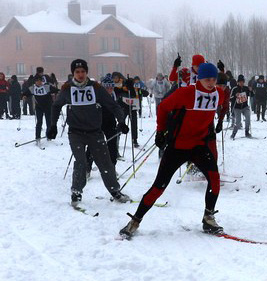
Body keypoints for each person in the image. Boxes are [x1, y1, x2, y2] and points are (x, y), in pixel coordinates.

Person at [119, 62, 229, 239]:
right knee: (159, 187)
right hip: (178, 146)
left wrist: (219, 122)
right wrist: (161, 131)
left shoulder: (219, 94)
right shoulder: (186, 93)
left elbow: (222, 105)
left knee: (214, 179)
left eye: (214, 79)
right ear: (199, 79)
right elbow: (163, 108)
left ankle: (208, 218)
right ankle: (135, 221)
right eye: (207, 79)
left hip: (199, 145)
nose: (211, 82)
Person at [51, 59, 131, 204]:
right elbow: (56, 106)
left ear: (87, 72)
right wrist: (52, 125)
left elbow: (113, 105)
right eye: (77, 72)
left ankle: (115, 191)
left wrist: (121, 121)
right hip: (76, 133)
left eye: (83, 71)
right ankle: (76, 192)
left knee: (105, 162)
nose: (80, 74)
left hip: (95, 132)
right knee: (81, 162)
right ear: (73, 73)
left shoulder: (96, 88)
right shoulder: (67, 88)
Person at [26, 74, 56, 142]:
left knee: (49, 122)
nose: (39, 82)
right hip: (39, 107)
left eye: (40, 81)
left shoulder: (46, 87)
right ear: (35, 82)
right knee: (39, 122)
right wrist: (24, 96)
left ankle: (49, 136)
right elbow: (26, 93)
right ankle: (37, 137)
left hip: (48, 106)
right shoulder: (33, 88)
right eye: (37, 81)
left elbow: (55, 90)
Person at [229, 75, 253, 139]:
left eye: (242, 82)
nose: (241, 83)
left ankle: (247, 132)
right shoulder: (234, 89)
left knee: (248, 119)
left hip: (245, 107)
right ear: (238, 82)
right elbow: (230, 98)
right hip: (237, 108)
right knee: (238, 122)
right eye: (240, 82)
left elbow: (252, 95)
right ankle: (234, 133)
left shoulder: (246, 88)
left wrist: (251, 91)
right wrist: (235, 96)